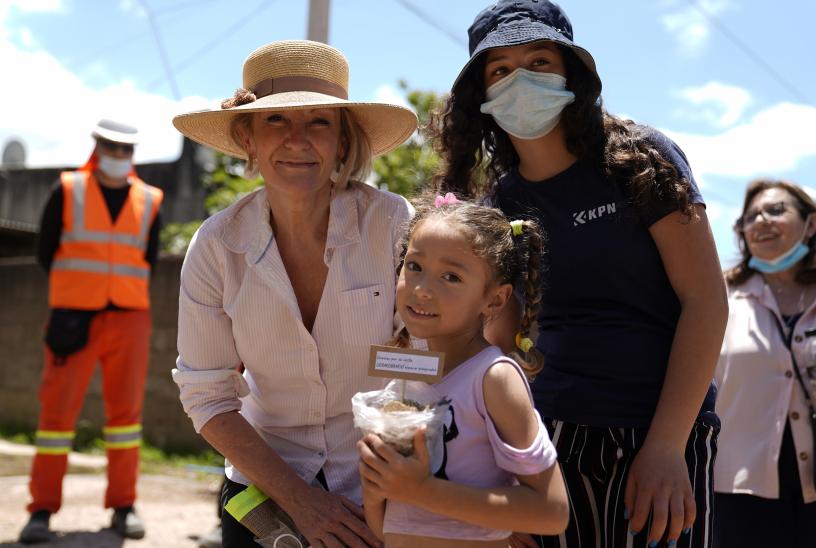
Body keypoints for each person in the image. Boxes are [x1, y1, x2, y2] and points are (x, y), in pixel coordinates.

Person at [432, 1, 729, 546]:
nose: (522, 79)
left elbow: (707, 302)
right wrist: (500, 470)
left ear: (573, 73)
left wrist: (666, 446)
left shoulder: (641, 158)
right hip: (547, 440)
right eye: (500, 69)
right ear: (483, 94)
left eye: (540, 61)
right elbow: (500, 343)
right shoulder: (499, 202)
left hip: (660, 431)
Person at [171, 39, 417, 548]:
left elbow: (423, 359)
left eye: (319, 122)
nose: (297, 141)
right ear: (249, 139)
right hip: (265, 487)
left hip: (384, 477)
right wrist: (302, 502)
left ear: (343, 141)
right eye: (276, 122)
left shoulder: (393, 224)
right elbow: (207, 394)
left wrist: (389, 483)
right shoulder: (216, 246)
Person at [357, 195, 569, 547]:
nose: (422, 289)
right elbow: (388, 528)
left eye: (451, 277)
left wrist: (421, 489)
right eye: (414, 266)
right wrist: (378, 484)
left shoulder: (494, 377)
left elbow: (551, 511)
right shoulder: (404, 384)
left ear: (495, 300)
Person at [19, 119, 163, 544]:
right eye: (111, 146)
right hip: (72, 317)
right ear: (97, 146)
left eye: (125, 149)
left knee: (125, 419)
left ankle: (123, 506)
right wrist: (78, 291)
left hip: (130, 316)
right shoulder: (67, 189)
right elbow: (45, 251)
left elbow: (149, 259)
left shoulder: (151, 199)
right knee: (55, 417)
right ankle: (41, 511)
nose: (118, 156)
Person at [714, 179, 816, 548]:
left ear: (812, 223)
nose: (761, 221)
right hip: (738, 493)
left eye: (776, 210)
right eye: (750, 216)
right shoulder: (716, 298)